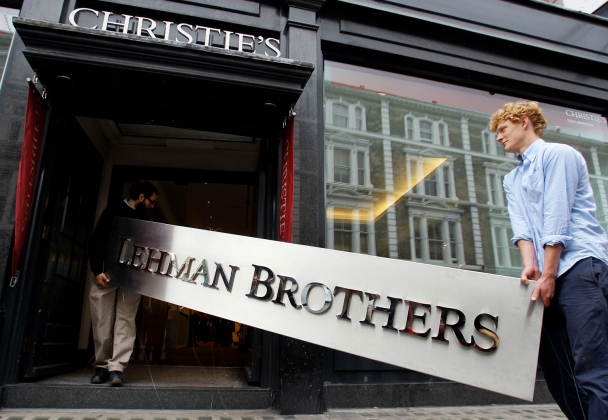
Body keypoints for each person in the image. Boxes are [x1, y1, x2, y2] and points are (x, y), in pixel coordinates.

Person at [489, 101, 608, 420]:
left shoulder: (559, 154)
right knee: (557, 368)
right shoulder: (511, 179)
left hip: (580, 267)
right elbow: (522, 228)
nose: (499, 137)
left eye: (503, 129)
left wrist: (550, 273)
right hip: (547, 276)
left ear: (524, 122)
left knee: (592, 367)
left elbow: (557, 216)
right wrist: (532, 266)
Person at [88, 181, 158, 386]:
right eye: (152, 202)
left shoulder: (145, 220)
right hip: (106, 275)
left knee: (126, 320)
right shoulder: (113, 211)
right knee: (102, 319)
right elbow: (98, 240)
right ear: (141, 197)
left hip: (131, 278)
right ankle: (101, 366)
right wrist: (97, 270)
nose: (153, 206)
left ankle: (117, 368)